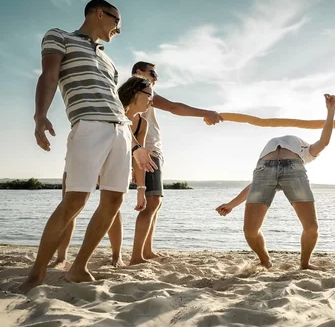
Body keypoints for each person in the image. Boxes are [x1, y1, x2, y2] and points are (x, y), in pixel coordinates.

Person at [18, 0, 156, 293]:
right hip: (88, 126)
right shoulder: (60, 36)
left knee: (114, 201)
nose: (118, 30)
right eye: (117, 22)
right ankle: (36, 274)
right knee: (75, 201)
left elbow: (117, 107)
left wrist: (135, 145)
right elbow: (50, 76)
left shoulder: (109, 62)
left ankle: (78, 267)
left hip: (120, 131)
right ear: (99, 14)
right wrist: (40, 115)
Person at [53, 62, 223, 267]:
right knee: (81, 204)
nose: (156, 77)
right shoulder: (138, 92)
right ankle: (70, 257)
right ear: (139, 73)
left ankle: (130, 254)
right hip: (126, 150)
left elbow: (141, 131)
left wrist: (139, 178)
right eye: (153, 72)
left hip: (139, 150)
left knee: (117, 204)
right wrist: (206, 112)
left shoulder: (145, 106)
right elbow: (174, 107)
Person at [215, 94, 335, 269]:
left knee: (311, 227)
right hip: (264, 170)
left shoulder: (307, 154)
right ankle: (265, 261)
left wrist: (330, 111)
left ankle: (305, 263)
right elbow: (253, 185)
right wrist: (231, 204)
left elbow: (324, 141)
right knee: (250, 231)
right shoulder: (301, 147)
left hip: (294, 171)